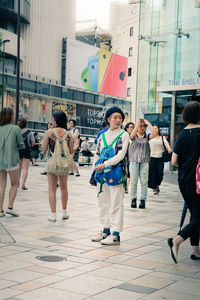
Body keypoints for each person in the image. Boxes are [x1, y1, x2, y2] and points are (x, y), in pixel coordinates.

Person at [168, 101, 200, 263]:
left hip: (183, 180)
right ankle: (177, 239)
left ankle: (196, 250)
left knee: (195, 213)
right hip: (198, 181)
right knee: (198, 215)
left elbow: (174, 161)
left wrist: (186, 166)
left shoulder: (181, 134)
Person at [92, 106, 129, 245]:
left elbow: (121, 155)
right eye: (115, 117)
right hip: (102, 175)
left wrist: (105, 164)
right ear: (108, 119)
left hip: (117, 174)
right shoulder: (102, 136)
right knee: (103, 203)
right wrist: (95, 169)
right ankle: (105, 231)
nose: (118, 120)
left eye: (120, 118)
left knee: (116, 203)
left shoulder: (124, 135)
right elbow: (97, 154)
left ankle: (115, 235)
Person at [42, 111, 79, 222]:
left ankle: (53, 215)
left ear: (55, 120)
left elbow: (44, 150)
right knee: (64, 188)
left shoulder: (49, 132)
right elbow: (71, 150)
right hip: (64, 163)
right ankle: (64, 212)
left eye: (53, 120)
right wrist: (77, 144)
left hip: (52, 163)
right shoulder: (69, 134)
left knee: (52, 189)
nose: (52, 121)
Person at [0, 108, 24, 217]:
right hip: (12, 160)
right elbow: (21, 145)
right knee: (15, 184)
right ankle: (10, 207)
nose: (14, 116)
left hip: (0, 160)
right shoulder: (16, 129)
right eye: (13, 114)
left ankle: (0, 210)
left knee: (1, 185)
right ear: (10, 116)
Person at [129, 118, 156, 209]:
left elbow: (155, 133)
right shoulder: (134, 136)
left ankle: (143, 200)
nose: (142, 128)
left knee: (144, 182)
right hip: (134, 161)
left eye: (144, 126)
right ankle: (133, 199)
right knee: (133, 181)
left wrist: (148, 122)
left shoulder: (147, 137)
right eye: (141, 126)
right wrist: (138, 124)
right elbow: (132, 135)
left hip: (144, 162)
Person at [148, 125, 172, 195]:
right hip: (152, 158)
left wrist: (169, 149)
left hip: (160, 158)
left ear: (158, 130)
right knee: (153, 173)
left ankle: (157, 184)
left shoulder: (162, 137)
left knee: (160, 173)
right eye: (153, 128)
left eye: (156, 128)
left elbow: (166, 144)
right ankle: (155, 187)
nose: (154, 129)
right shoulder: (149, 137)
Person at [18, 118, 35, 190]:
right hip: (26, 151)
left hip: (18, 150)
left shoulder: (16, 131)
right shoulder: (29, 132)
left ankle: (17, 183)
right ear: (26, 124)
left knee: (18, 168)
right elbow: (33, 143)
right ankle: (22, 185)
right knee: (25, 169)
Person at [124, 122, 135, 193]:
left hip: (132, 157)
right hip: (124, 156)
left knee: (129, 173)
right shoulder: (124, 135)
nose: (131, 128)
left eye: (133, 127)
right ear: (127, 128)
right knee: (125, 171)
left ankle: (126, 187)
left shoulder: (135, 136)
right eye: (130, 127)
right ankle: (124, 186)